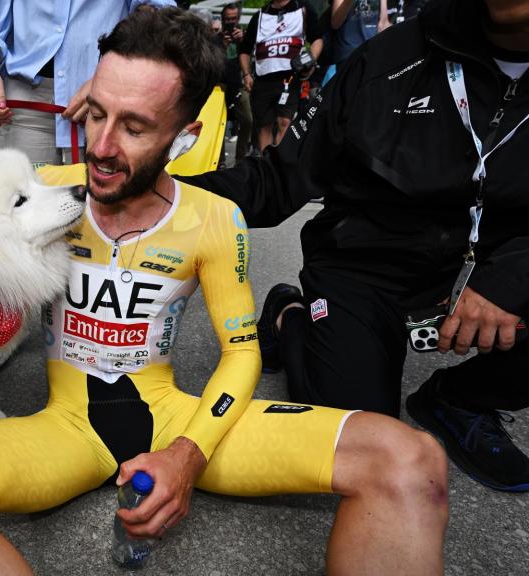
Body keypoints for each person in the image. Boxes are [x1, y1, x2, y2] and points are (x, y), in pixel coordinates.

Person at [0, 8, 448, 574]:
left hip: (174, 420)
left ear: (185, 137)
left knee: (408, 460)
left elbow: (241, 351)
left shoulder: (213, 217)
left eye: (133, 127)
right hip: (65, 430)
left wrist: (188, 454)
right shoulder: (46, 188)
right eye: (95, 114)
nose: (100, 148)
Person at [179, 0, 529, 492]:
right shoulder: (385, 58)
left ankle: (460, 399)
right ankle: (289, 316)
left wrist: (513, 276)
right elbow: (282, 178)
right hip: (364, 268)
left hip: (489, 266)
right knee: (361, 439)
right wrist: (165, 194)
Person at [0, 0, 176, 167]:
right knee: (23, 207)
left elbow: (157, 15)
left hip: (106, 105)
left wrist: (107, 79)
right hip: (25, 102)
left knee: (100, 209)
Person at [239, 0, 323, 150]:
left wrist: (310, 59)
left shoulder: (302, 9)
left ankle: (279, 163)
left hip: (289, 77)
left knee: (284, 121)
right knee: (264, 126)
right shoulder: (260, 15)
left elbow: (317, 39)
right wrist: (246, 74)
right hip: (263, 78)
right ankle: (265, 164)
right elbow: (244, 50)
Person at [221, 3, 254, 163]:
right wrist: (222, 45)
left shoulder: (245, 37)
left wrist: (243, 41)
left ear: (238, 19)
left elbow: (252, 56)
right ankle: (218, 158)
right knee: (219, 124)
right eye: (227, 19)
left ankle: (240, 159)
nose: (230, 22)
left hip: (240, 85)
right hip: (220, 87)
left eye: (234, 19)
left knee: (248, 120)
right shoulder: (216, 38)